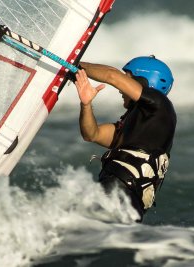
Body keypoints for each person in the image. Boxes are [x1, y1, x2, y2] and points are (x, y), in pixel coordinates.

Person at [74, 56, 176, 222]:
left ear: (142, 81)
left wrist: (73, 65)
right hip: (120, 198)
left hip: (121, 193)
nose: (121, 89)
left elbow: (111, 75)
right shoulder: (136, 125)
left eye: (127, 77)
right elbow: (92, 134)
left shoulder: (160, 106)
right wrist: (86, 104)